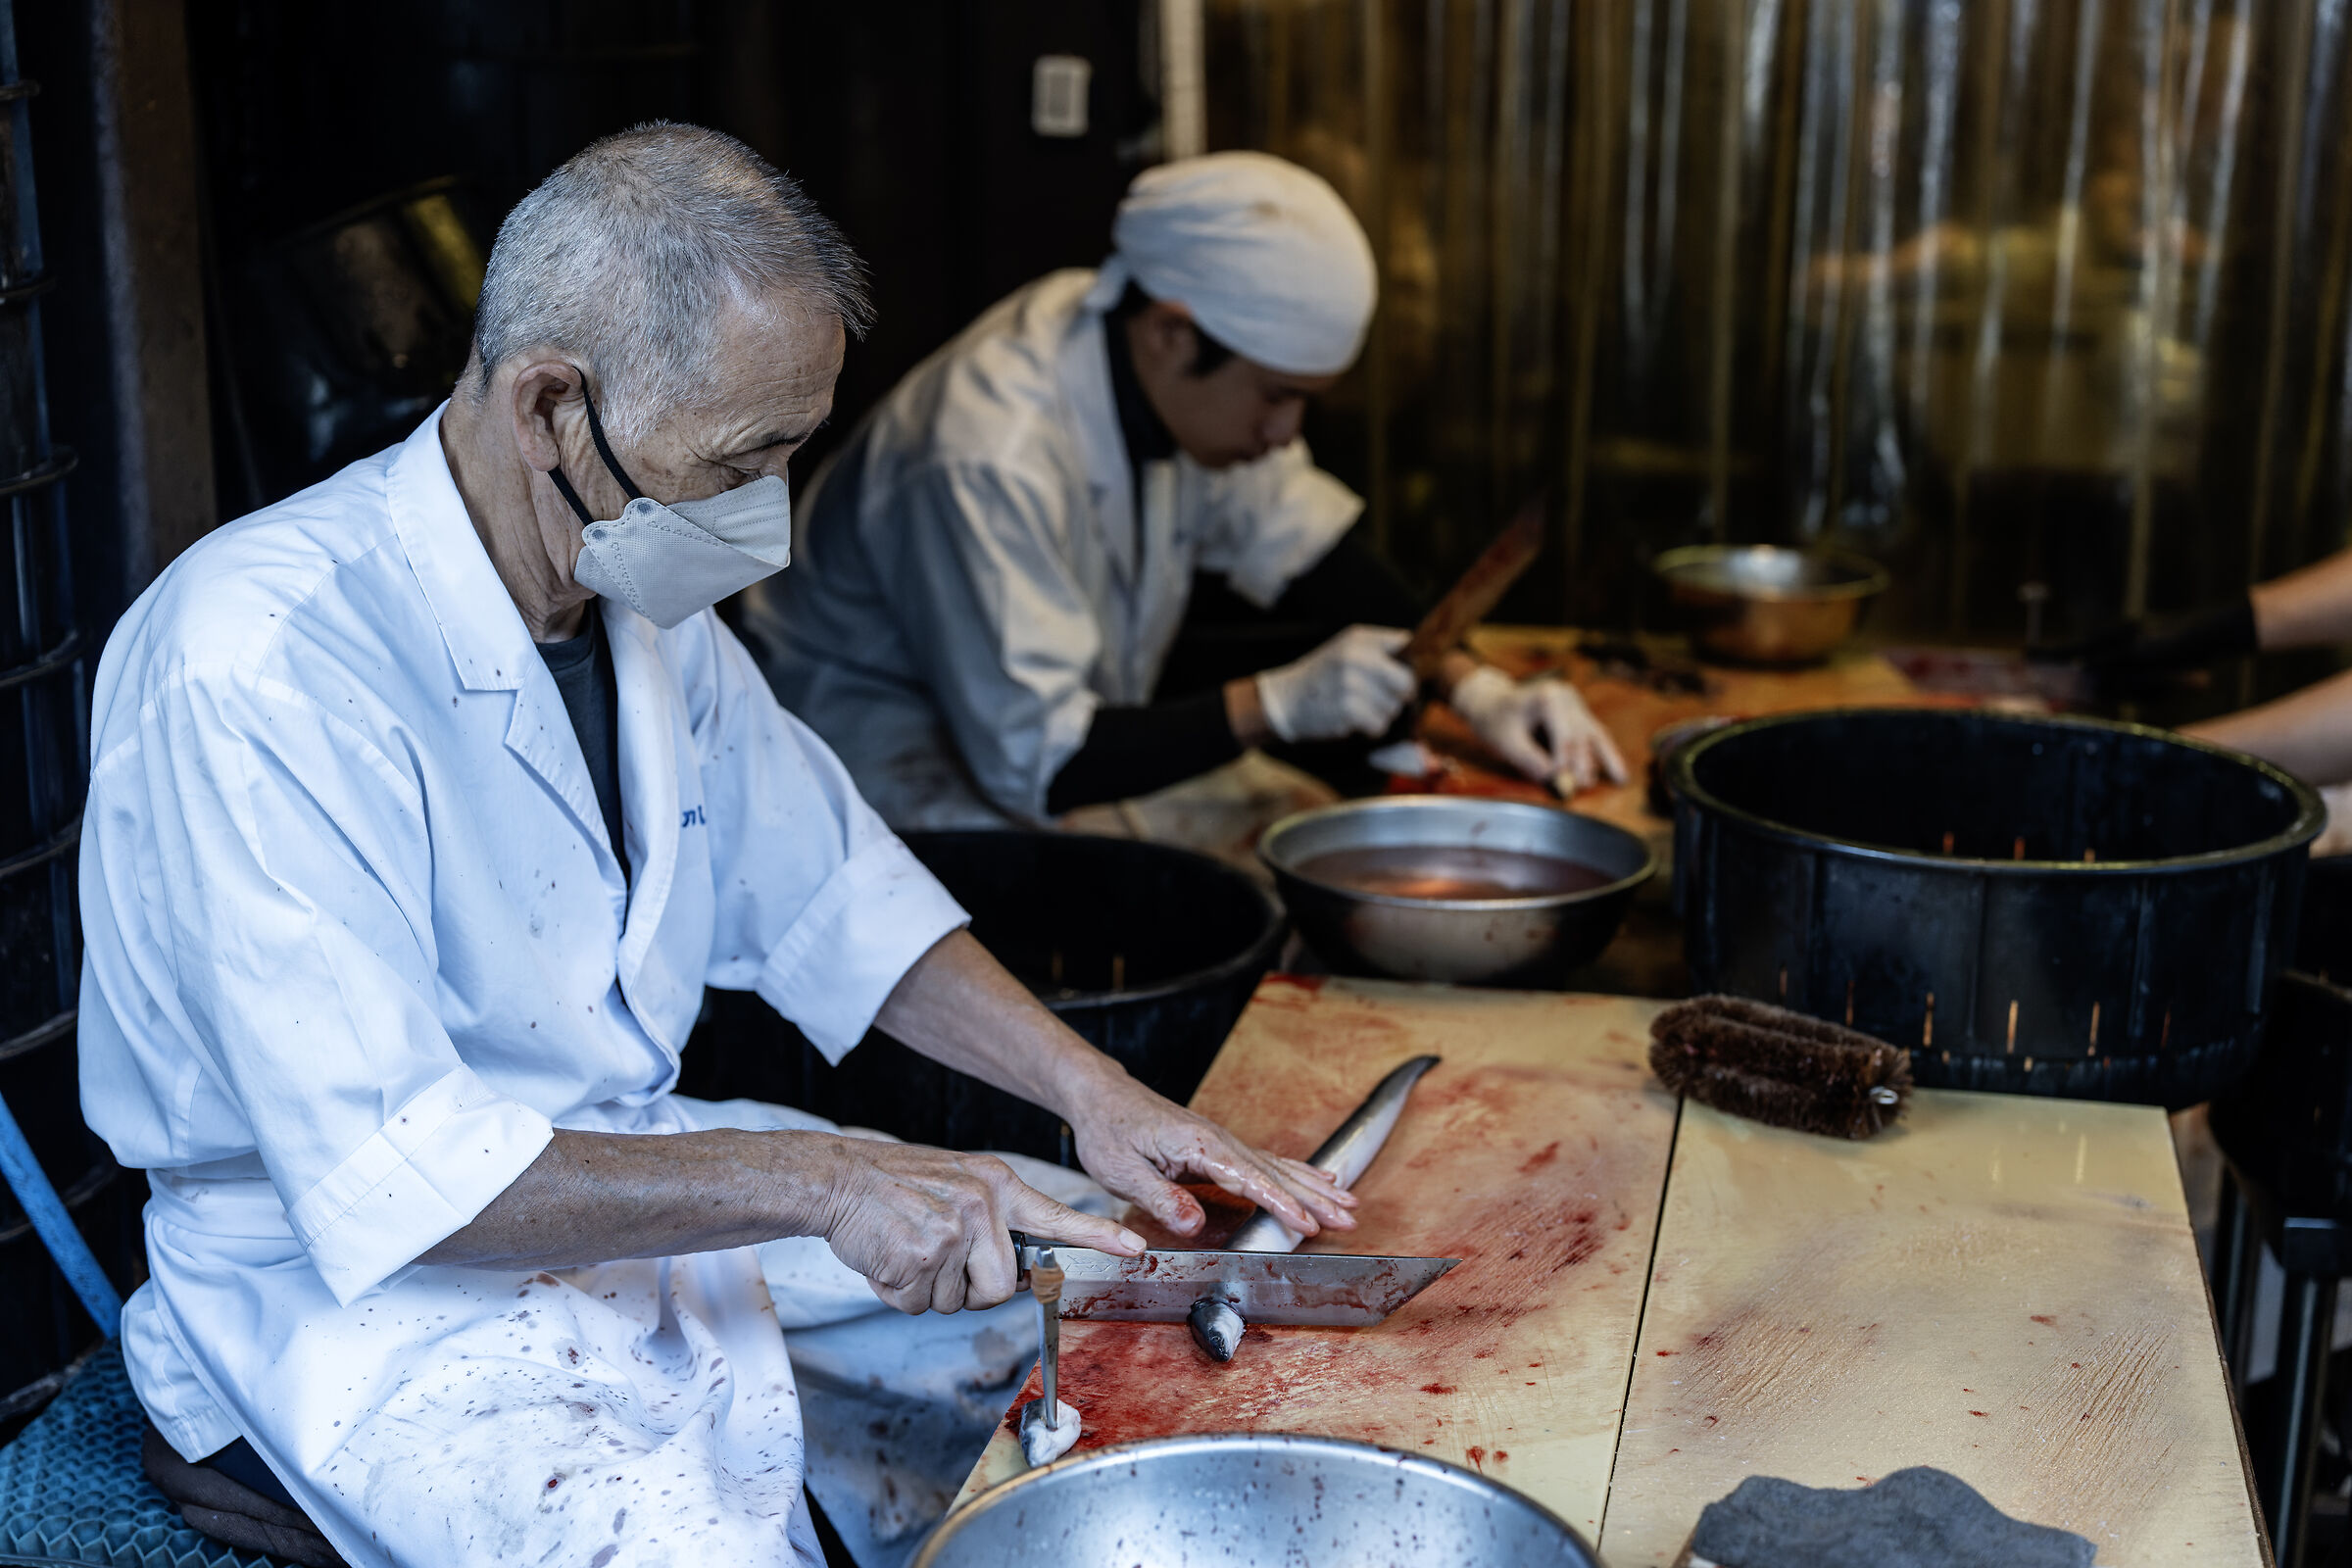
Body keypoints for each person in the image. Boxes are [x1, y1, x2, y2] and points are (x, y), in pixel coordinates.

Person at [76, 124, 1353, 1568]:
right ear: (552, 404)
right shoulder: (254, 662)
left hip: (643, 1182)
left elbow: (837, 896)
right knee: (690, 1540)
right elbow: (399, 1178)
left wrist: (1093, 1092)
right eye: (741, 461)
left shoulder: (631, 601)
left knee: (1103, 1283)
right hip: (355, 1296)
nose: (770, 519)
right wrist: (828, 1184)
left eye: (789, 452)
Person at [739, 152, 1624, 836]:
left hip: (1049, 744)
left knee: (1301, 823)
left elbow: (1313, 554)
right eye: (1279, 396)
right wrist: (1274, 704)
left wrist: (1475, 686)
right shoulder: (987, 455)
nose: (1288, 433)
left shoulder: (1152, 363)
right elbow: (1041, 763)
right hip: (880, 777)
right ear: (1172, 333)